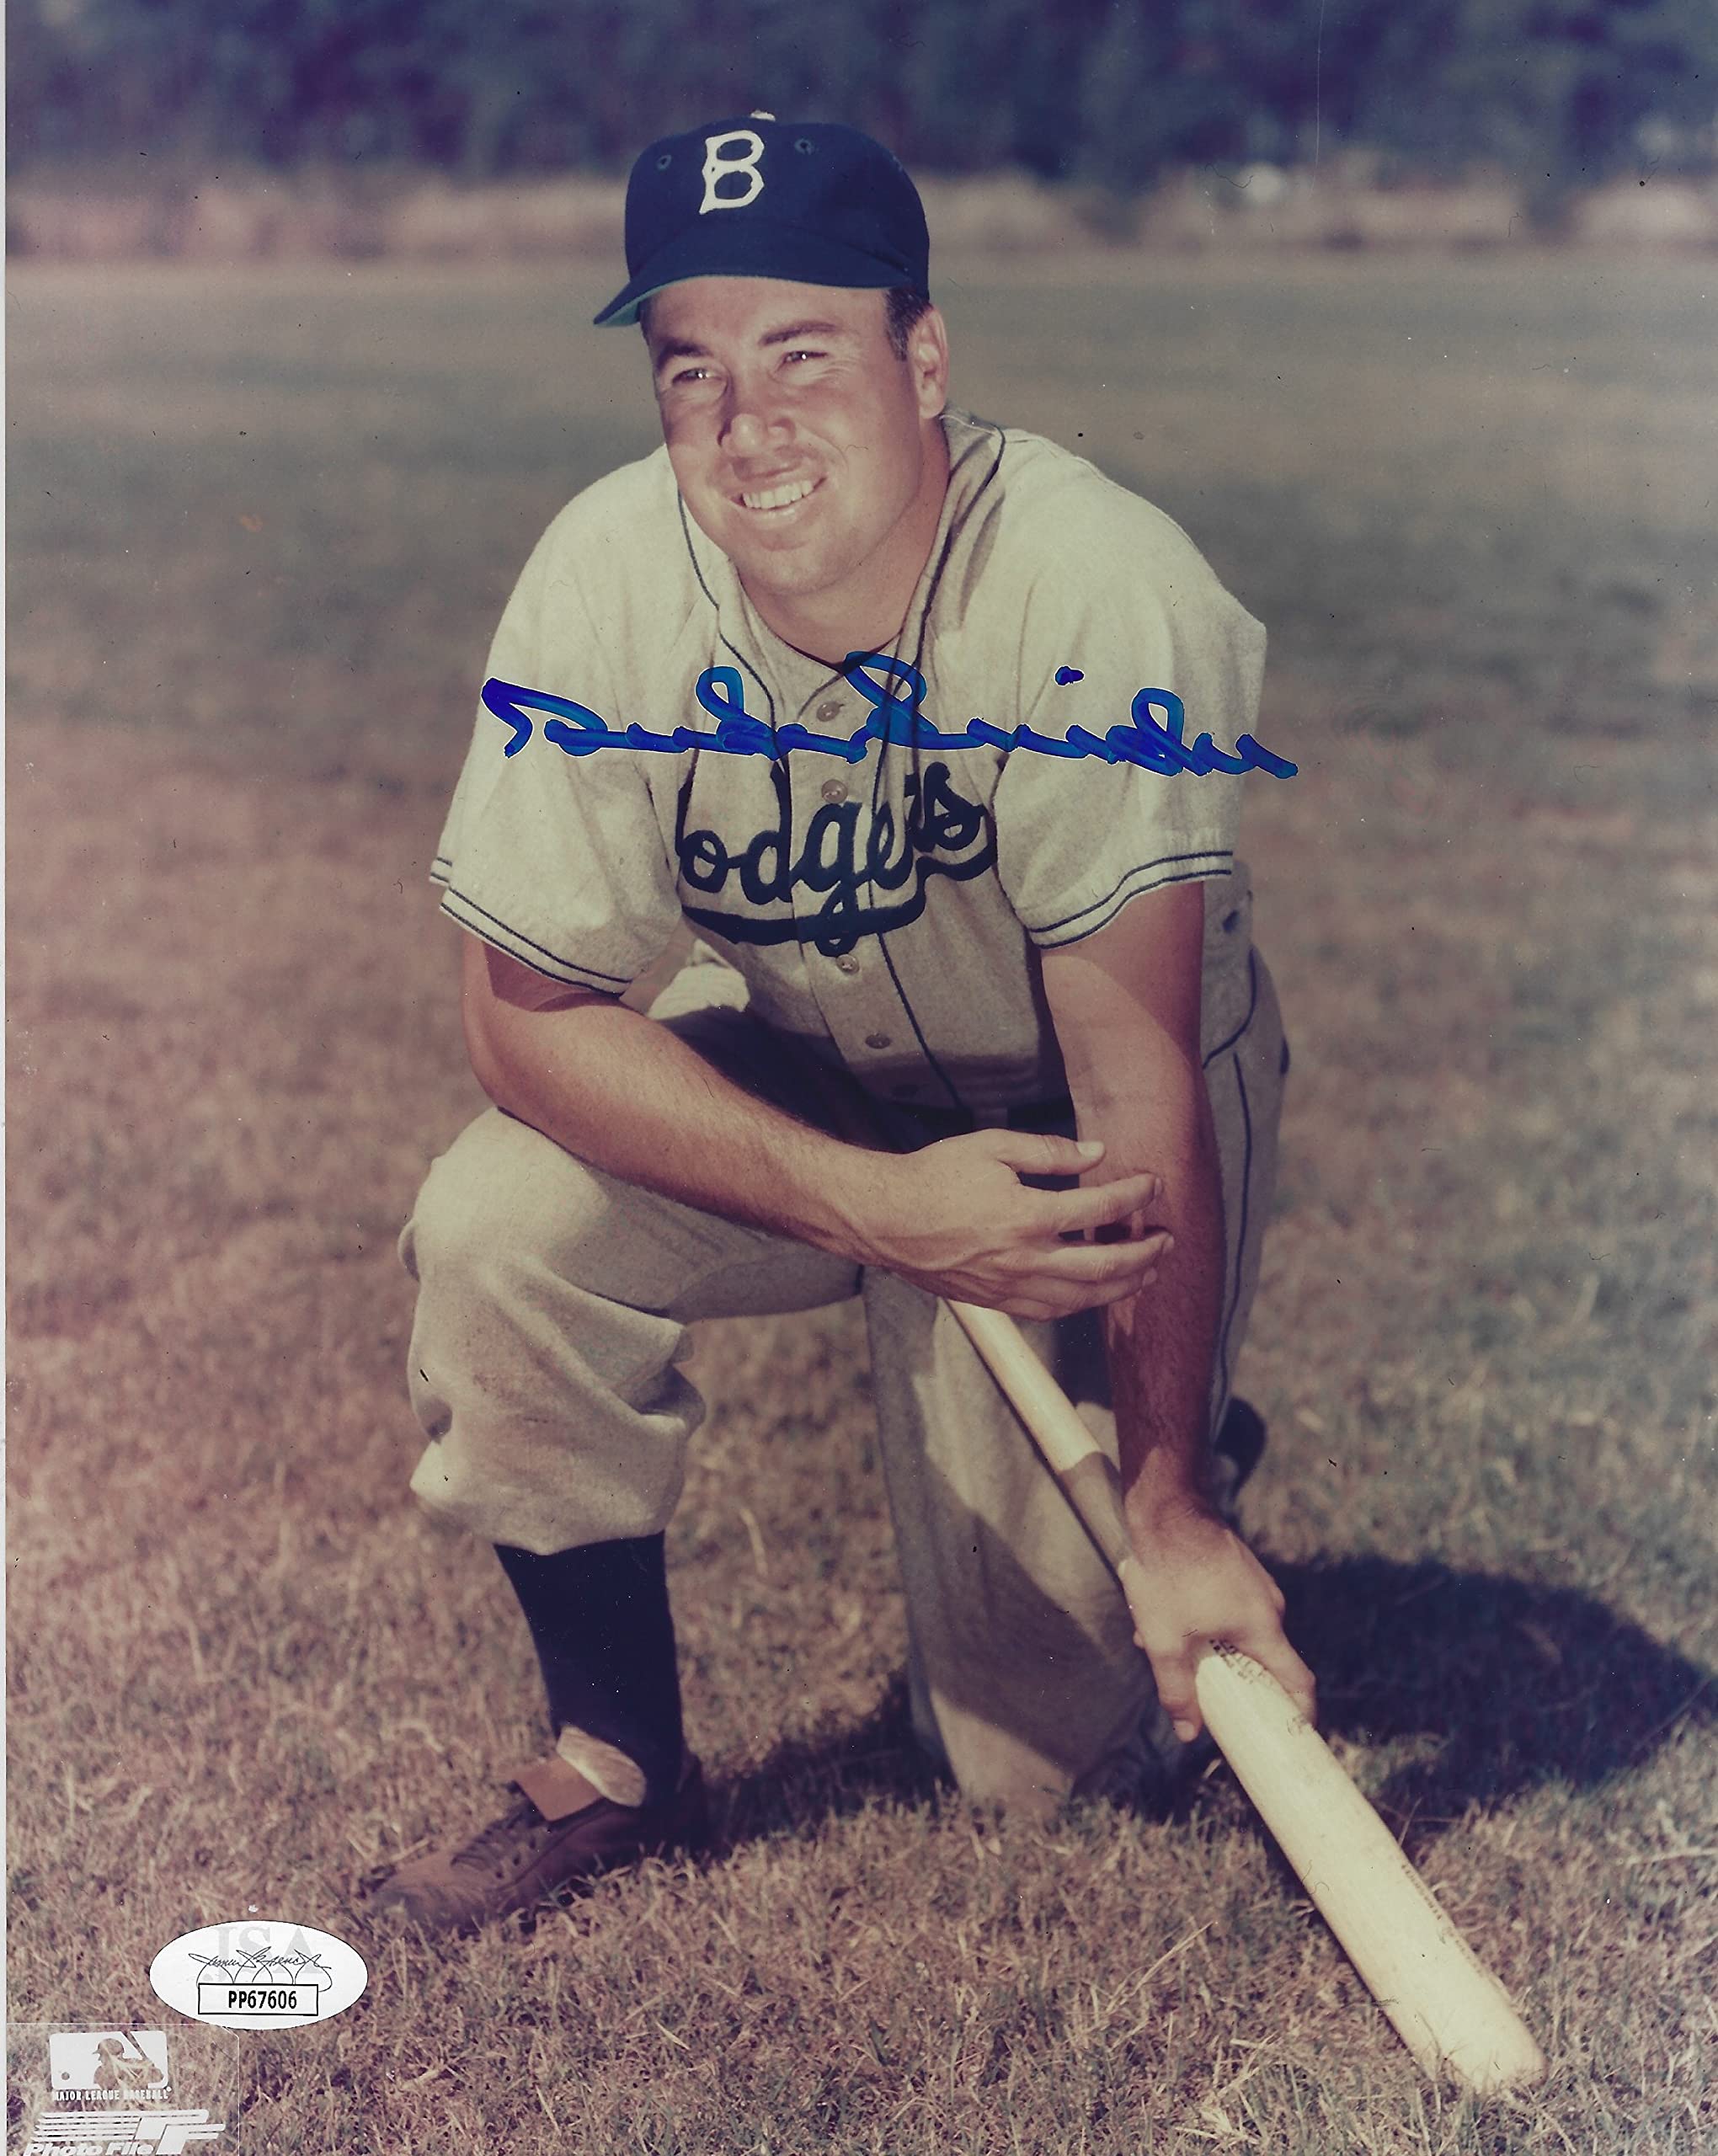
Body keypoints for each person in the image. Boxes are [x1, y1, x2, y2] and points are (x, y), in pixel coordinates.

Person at [367, 113, 1315, 1935]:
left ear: (924, 359)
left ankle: (1187, 1439)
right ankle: (614, 1764)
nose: (746, 424)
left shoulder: (1095, 583)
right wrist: (877, 1208)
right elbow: (523, 1023)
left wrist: (1169, 1507)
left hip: (1077, 1124)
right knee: (496, 1227)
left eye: (802, 352)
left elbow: (1135, 1090)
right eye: (692, 368)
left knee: (1038, 1776)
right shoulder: (607, 573)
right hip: (804, 1056)